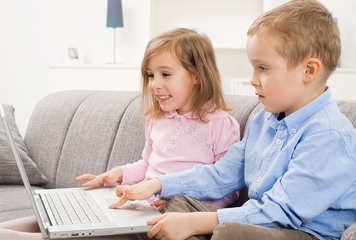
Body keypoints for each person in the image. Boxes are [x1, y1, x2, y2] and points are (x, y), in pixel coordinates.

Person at [112, 1, 356, 240]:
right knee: (179, 203)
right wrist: (157, 184)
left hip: (302, 231)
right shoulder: (263, 121)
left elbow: (282, 211)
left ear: (309, 71)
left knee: (229, 231)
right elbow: (221, 175)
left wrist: (198, 222)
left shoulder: (329, 135)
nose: (252, 79)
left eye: (263, 68)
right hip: (258, 221)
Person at [0, 28, 240, 240]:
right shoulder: (157, 120)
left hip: (163, 221)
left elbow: (229, 190)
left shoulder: (221, 124)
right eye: (150, 75)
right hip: (135, 210)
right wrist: (117, 175)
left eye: (165, 74)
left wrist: (185, 206)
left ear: (197, 75)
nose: (154, 84)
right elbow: (147, 165)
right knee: (45, 219)